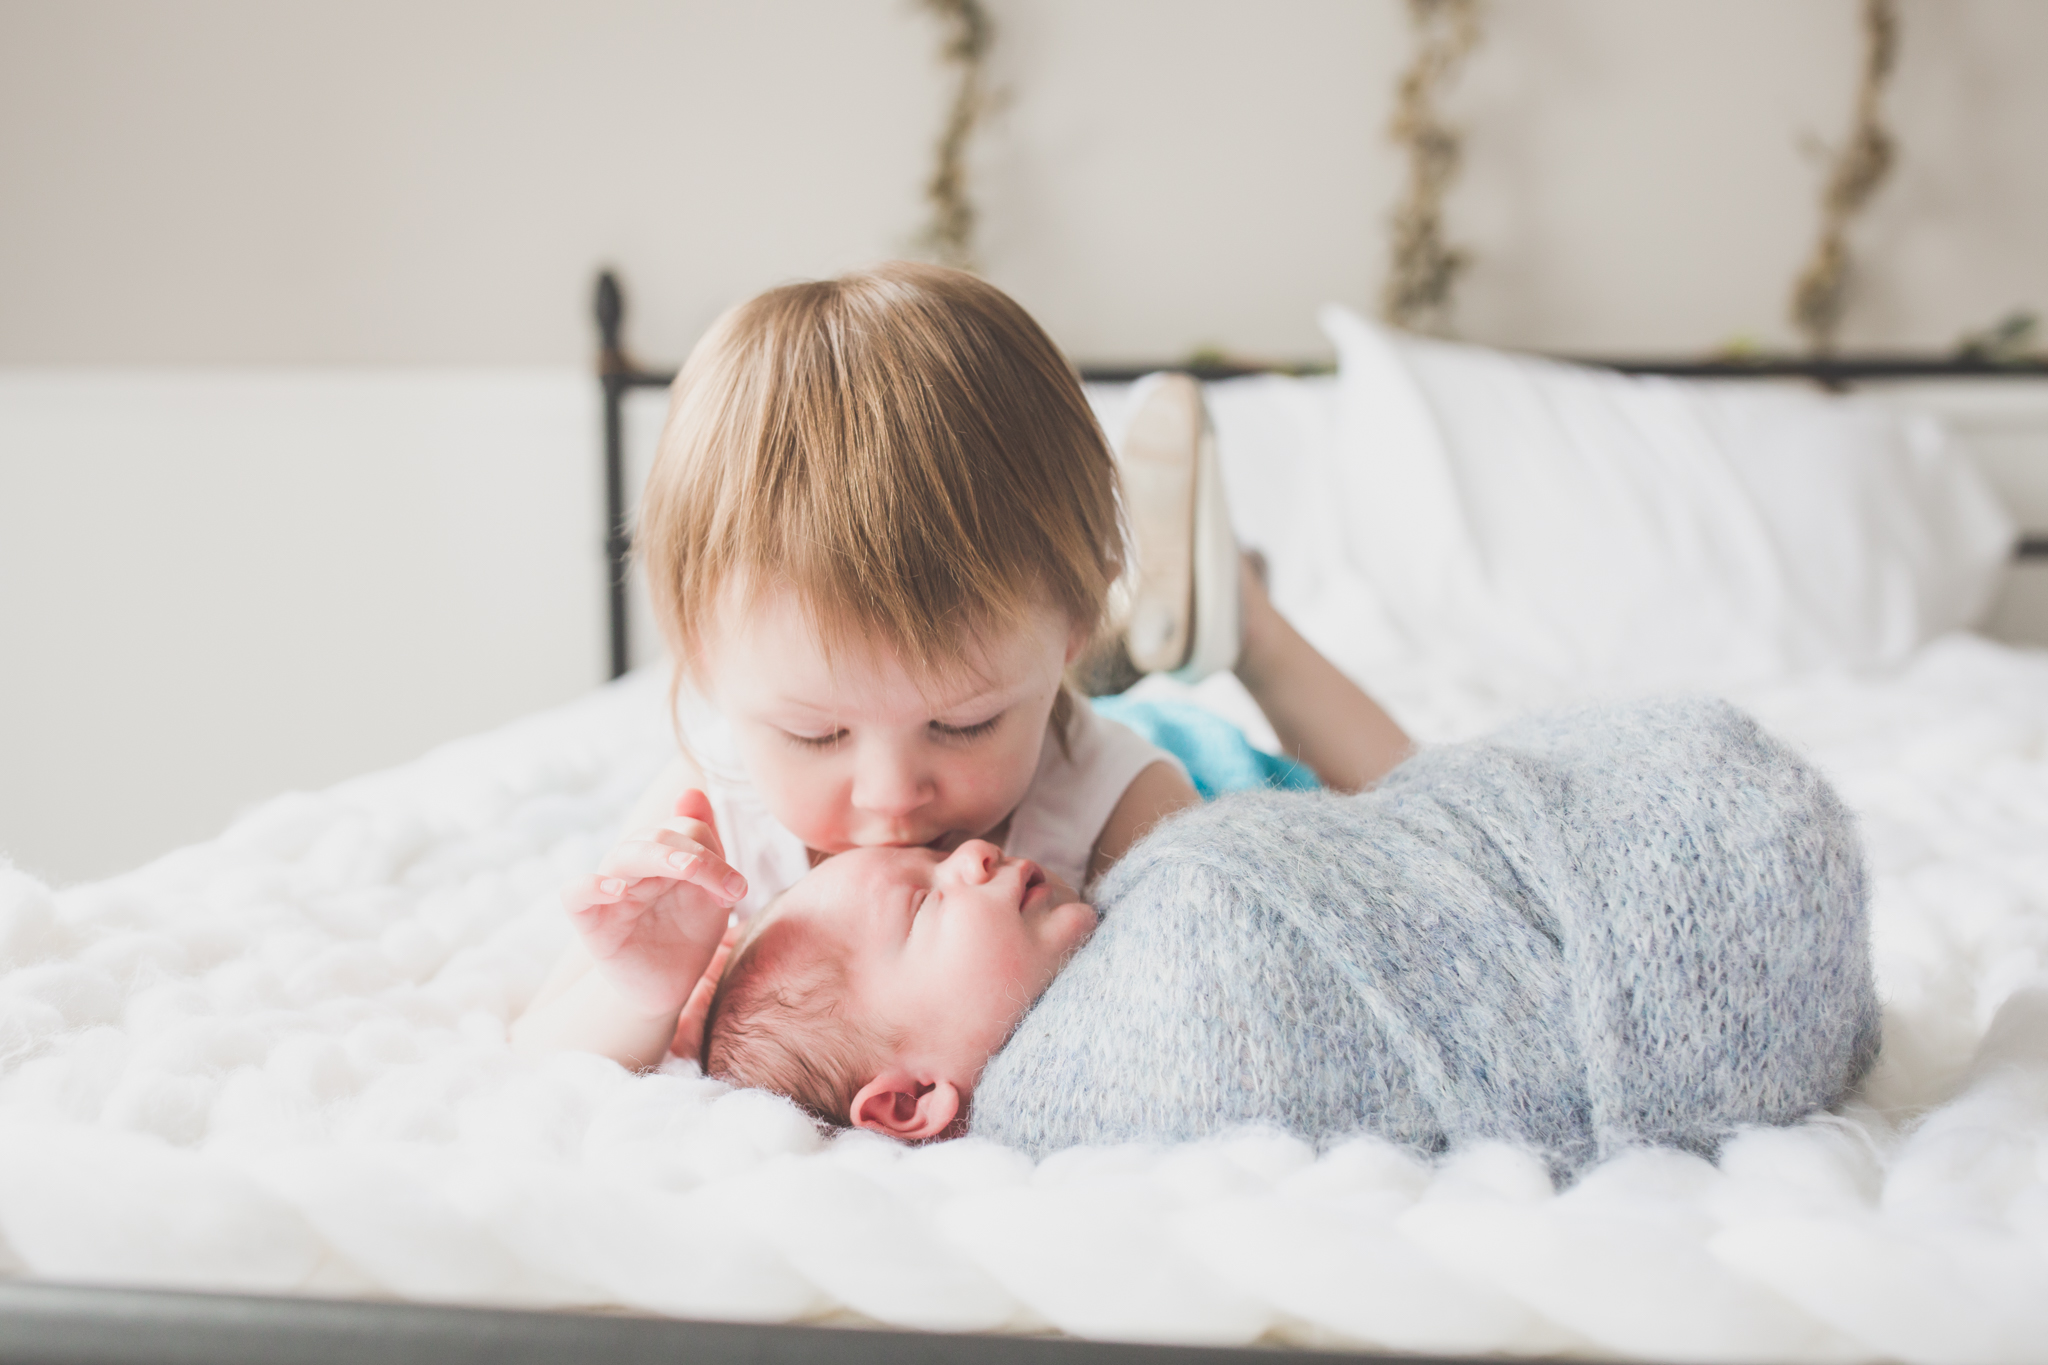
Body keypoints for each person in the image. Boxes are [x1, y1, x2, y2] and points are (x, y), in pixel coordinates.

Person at [512, 262, 1410, 1069]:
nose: (891, 794)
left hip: (1194, 757)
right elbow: (542, 1049)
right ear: (705, 661)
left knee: (1410, 809)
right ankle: (1125, 645)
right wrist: (641, 990)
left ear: (1067, 627)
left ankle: (1247, 626)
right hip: (1045, 679)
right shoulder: (713, 813)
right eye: (815, 731)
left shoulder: (1126, 804)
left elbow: (1243, 1003)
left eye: (961, 722)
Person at [696, 697, 1882, 1177]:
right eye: (918, 903)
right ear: (908, 1104)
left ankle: (1243, 618)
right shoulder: (1106, 1086)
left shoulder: (1144, 858)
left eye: (928, 860)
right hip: (1683, 978)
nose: (960, 852)